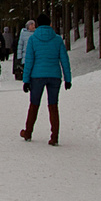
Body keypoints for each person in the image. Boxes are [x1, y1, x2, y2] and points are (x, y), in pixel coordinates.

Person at [21, 13, 72, 145]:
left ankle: (28, 132)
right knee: (53, 106)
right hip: (54, 76)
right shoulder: (57, 39)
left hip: (37, 76)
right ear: (50, 24)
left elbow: (29, 61)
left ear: (37, 25)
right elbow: (64, 60)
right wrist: (68, 79)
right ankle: (54, 137)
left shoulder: (33, 39)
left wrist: (26, 80)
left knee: (34, 105)